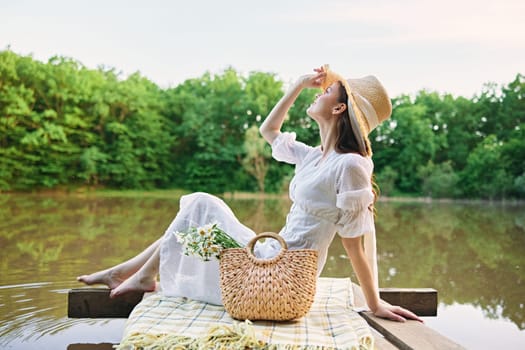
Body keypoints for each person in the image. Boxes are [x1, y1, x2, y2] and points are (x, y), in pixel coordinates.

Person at [78, 65, 422, 323]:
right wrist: (298, 85)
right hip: (271, 253)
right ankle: (132, 273)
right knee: (197, 215)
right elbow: (268, 130)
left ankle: (139, 275)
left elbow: (354, 243)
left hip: (284, 277)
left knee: (201, 203)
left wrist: (375, 304)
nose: (320, 91)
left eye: (329, 91)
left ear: (339, 109)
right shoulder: (315, 156)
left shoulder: (350, 165)